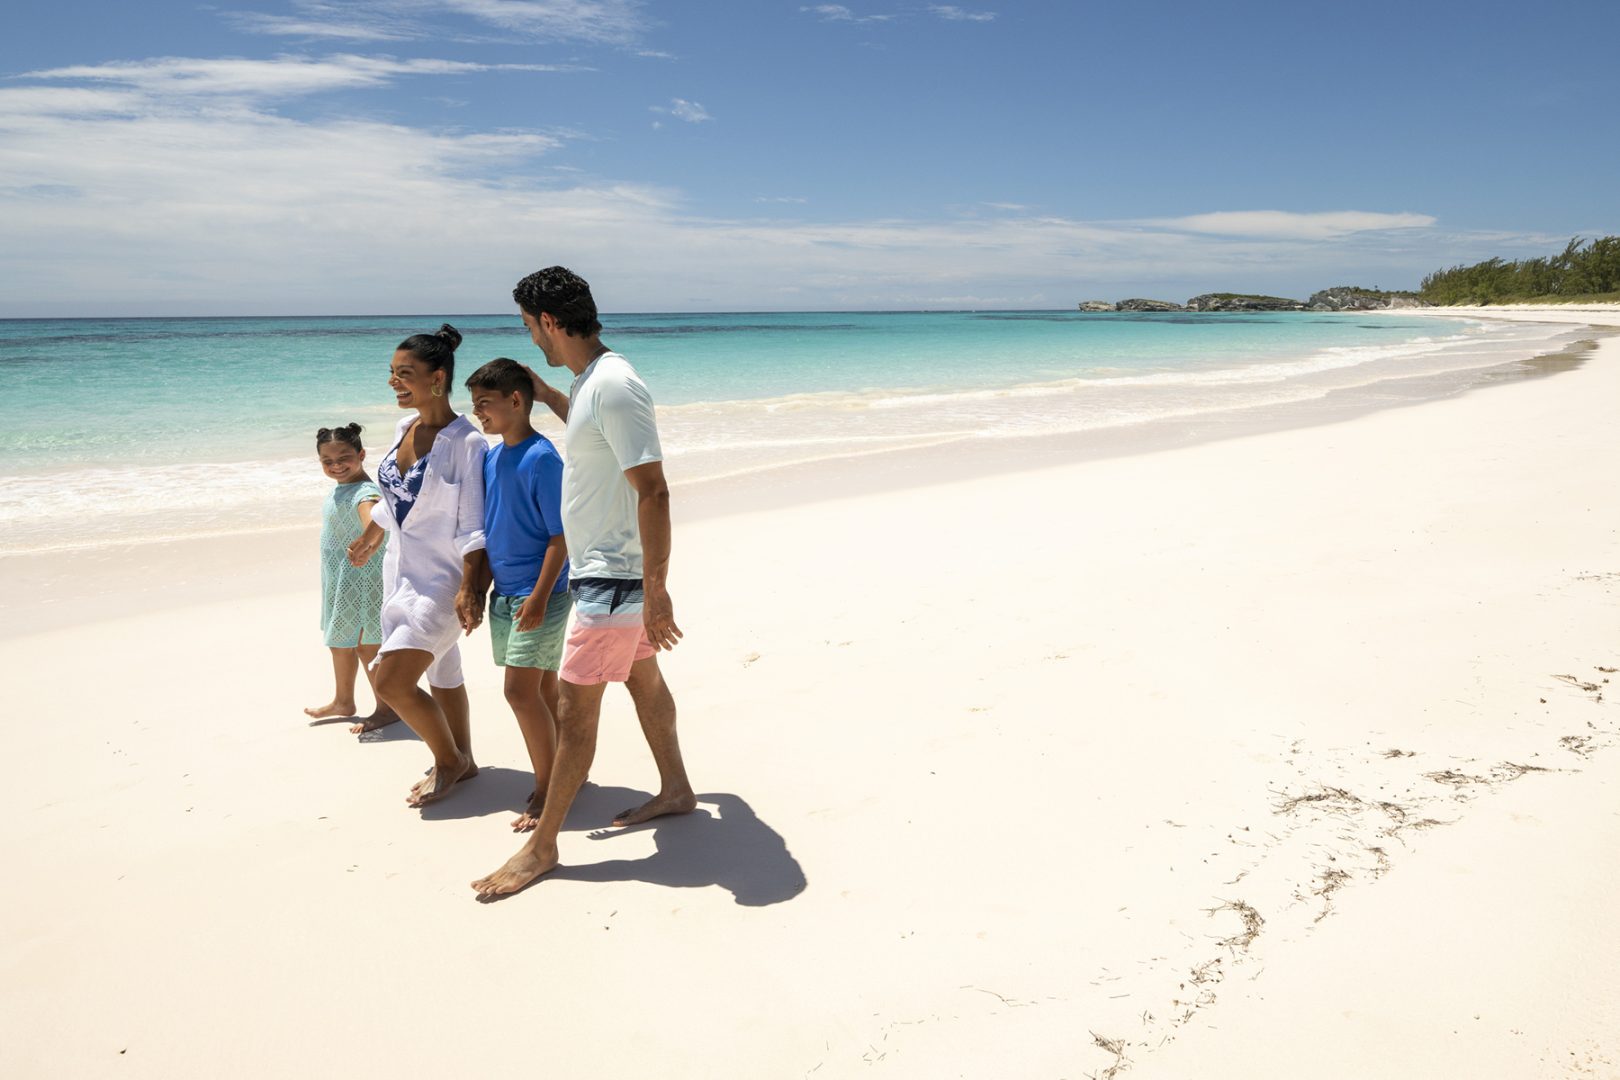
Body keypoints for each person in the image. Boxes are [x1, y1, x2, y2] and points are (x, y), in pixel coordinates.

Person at [473, 267, 693, 899]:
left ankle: (542, 848)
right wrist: (545, 392)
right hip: (614, 572)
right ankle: (677, 790)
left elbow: (653, 490)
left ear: (547, 322)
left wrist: (656, 588)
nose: (531, 339)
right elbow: (590, 430)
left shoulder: (617, 385)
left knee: (572, 706)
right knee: (644, 682)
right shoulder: (591, 384)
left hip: (615, 577)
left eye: (527, 326)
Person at [350, 324, 488, 807]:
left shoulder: (467, 442)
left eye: (404, 374)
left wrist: (472, 589)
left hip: (444, 583)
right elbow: (396, 503)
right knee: (443, 673)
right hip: (399, 574)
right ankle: (464, 759)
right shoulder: (403, 429)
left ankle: (447, 760)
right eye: (391, 373)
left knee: (389, 680)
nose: (394, 382)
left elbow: (474, 526)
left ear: (438, 378)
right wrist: (370, 536)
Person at [462, 357, 572, 832]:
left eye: (484, 404)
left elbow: (561, 537)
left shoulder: (543, 458)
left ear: (516, 400)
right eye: (473, 406)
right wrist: (476, 588)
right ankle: (568, 771)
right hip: (505, 594)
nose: (478, 414)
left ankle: (549, 789)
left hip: (540, 594)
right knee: (543, 692)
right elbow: (489, 531)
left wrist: (541, 596)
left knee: (518, 693)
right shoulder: (491, 457)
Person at [303, 423, 398, 734]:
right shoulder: (341, 489)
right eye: (327, 462)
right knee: (340, 641)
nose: (336, 466)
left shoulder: (364, 493)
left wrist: (367, 546)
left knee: (366, 643)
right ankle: (344, 701)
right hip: (340, 578)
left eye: (344, 458)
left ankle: (386, 708)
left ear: (361, 454)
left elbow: (375, 521)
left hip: (361, 577)